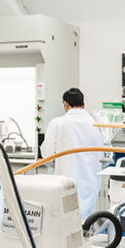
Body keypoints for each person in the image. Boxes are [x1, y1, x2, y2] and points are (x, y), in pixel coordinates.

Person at [40, 87, 106, 217]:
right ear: (84, 104)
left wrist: (61, 163)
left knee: (67, 222)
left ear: (66, 104)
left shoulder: (58, 123)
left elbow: (48, 157)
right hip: (91, 182)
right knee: (86, 221)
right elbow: (105, 159)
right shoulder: (97, 124)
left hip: (65, 181)